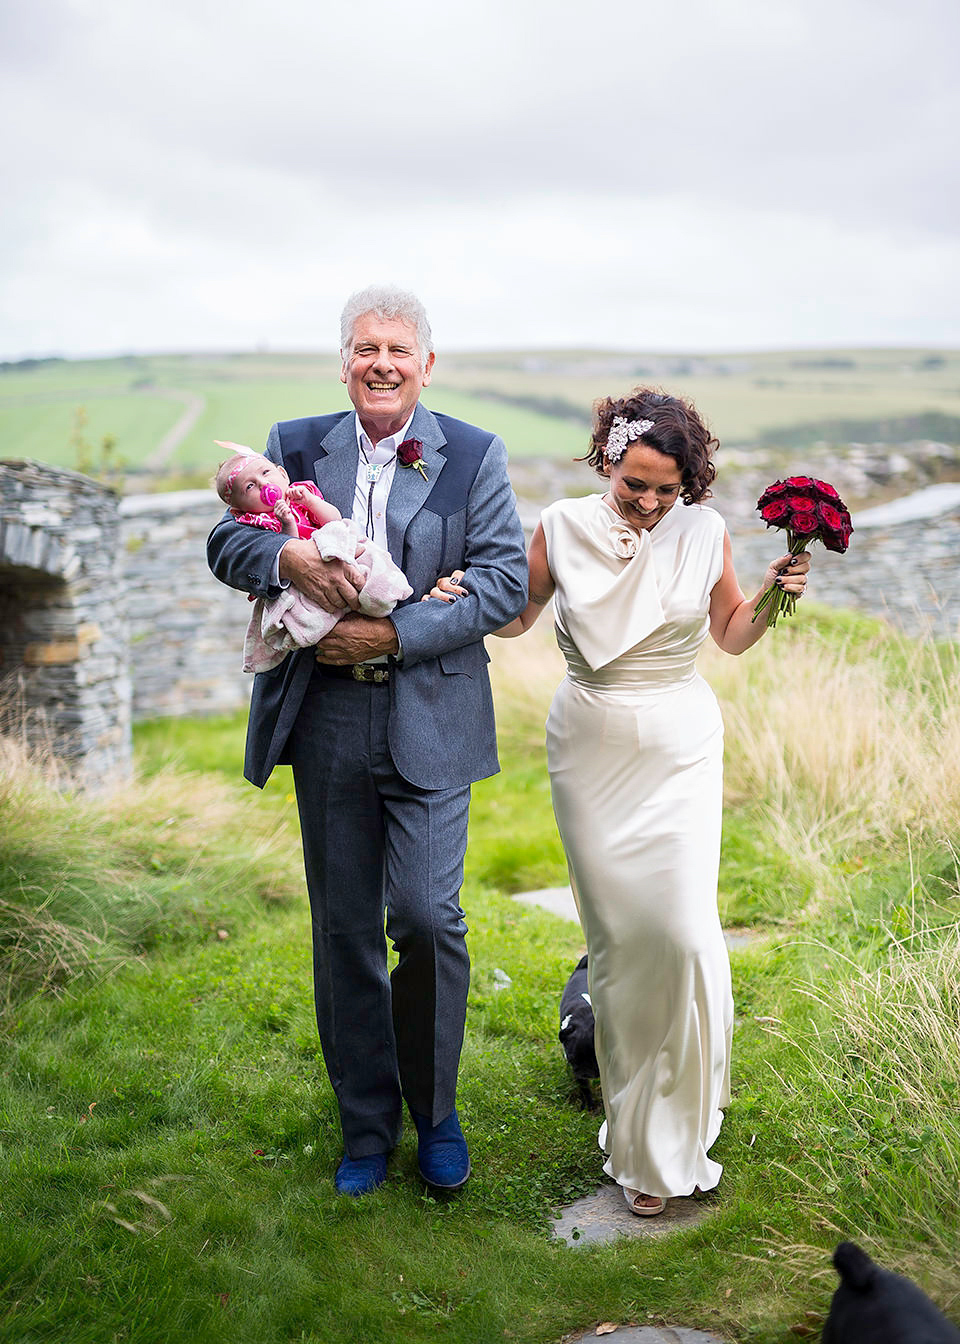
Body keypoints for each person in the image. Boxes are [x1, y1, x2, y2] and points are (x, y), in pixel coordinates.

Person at [431, 390, 810, 1217]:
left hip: (678, 742)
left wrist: (779, 592)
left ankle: (679, 1114)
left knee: (679, 932)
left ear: (688, 484)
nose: (645, 502)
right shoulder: (559, 526)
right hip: (590, 746)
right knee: (618, 945)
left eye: (664, 490)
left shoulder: (706, 533)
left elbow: (731, 634)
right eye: (633, 482)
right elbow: (517, 619)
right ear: (609, 457)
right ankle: (636, 1130)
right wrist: (466, 592)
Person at [207, 286, 528, 1197]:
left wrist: (391, 634)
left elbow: (502, 583)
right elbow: (229, 543)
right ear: (342, 361)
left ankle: (436, 1114)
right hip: (328, 719)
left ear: (427, 362)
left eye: (397, 348)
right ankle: (364, 1126)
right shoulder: (294, 444)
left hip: (432, 710)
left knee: (427, 918)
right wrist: (286, 560)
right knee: (345, 926)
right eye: (363, 348)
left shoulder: (471, 455)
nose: (379, 363)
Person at [214, 446, 412, 673]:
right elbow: (291, 546)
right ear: (238, 509)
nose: (262, 485)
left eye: (266, 473)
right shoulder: (259, 522)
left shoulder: (302, 493)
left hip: (338, 551)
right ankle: (312, 629)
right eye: (250, 487)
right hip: (306, 584)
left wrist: (310, 502)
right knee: (298, 610)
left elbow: (333, 519)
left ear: (283, 474)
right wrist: (287, 523)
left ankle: (382, 594)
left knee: (359, 551)